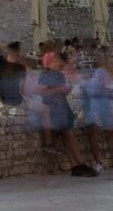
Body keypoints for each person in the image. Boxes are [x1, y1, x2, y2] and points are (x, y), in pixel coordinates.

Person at [34, 48, 91, 176]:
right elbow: (42, 91)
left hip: (61, 107)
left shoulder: (58, 75)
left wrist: (63, 88)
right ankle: (79, 164)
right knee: (69, 136)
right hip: (54, 109)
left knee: (68, 137)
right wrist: (59, 89)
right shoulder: (46, 75)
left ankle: (76, 165)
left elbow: (63, 90)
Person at [79, 57, 113, 175]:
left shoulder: (102, 73)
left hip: (103, 106)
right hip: (95, 107)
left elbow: (102, 90)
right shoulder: (96, 74)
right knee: (95, 132)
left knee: (110, 134)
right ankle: (103, 163)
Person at [0, 41, 28, 111]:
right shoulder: (21, 68)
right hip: (17, 101)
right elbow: (23, 89)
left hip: (3, 100)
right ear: (17, 53)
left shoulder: (0, 65)